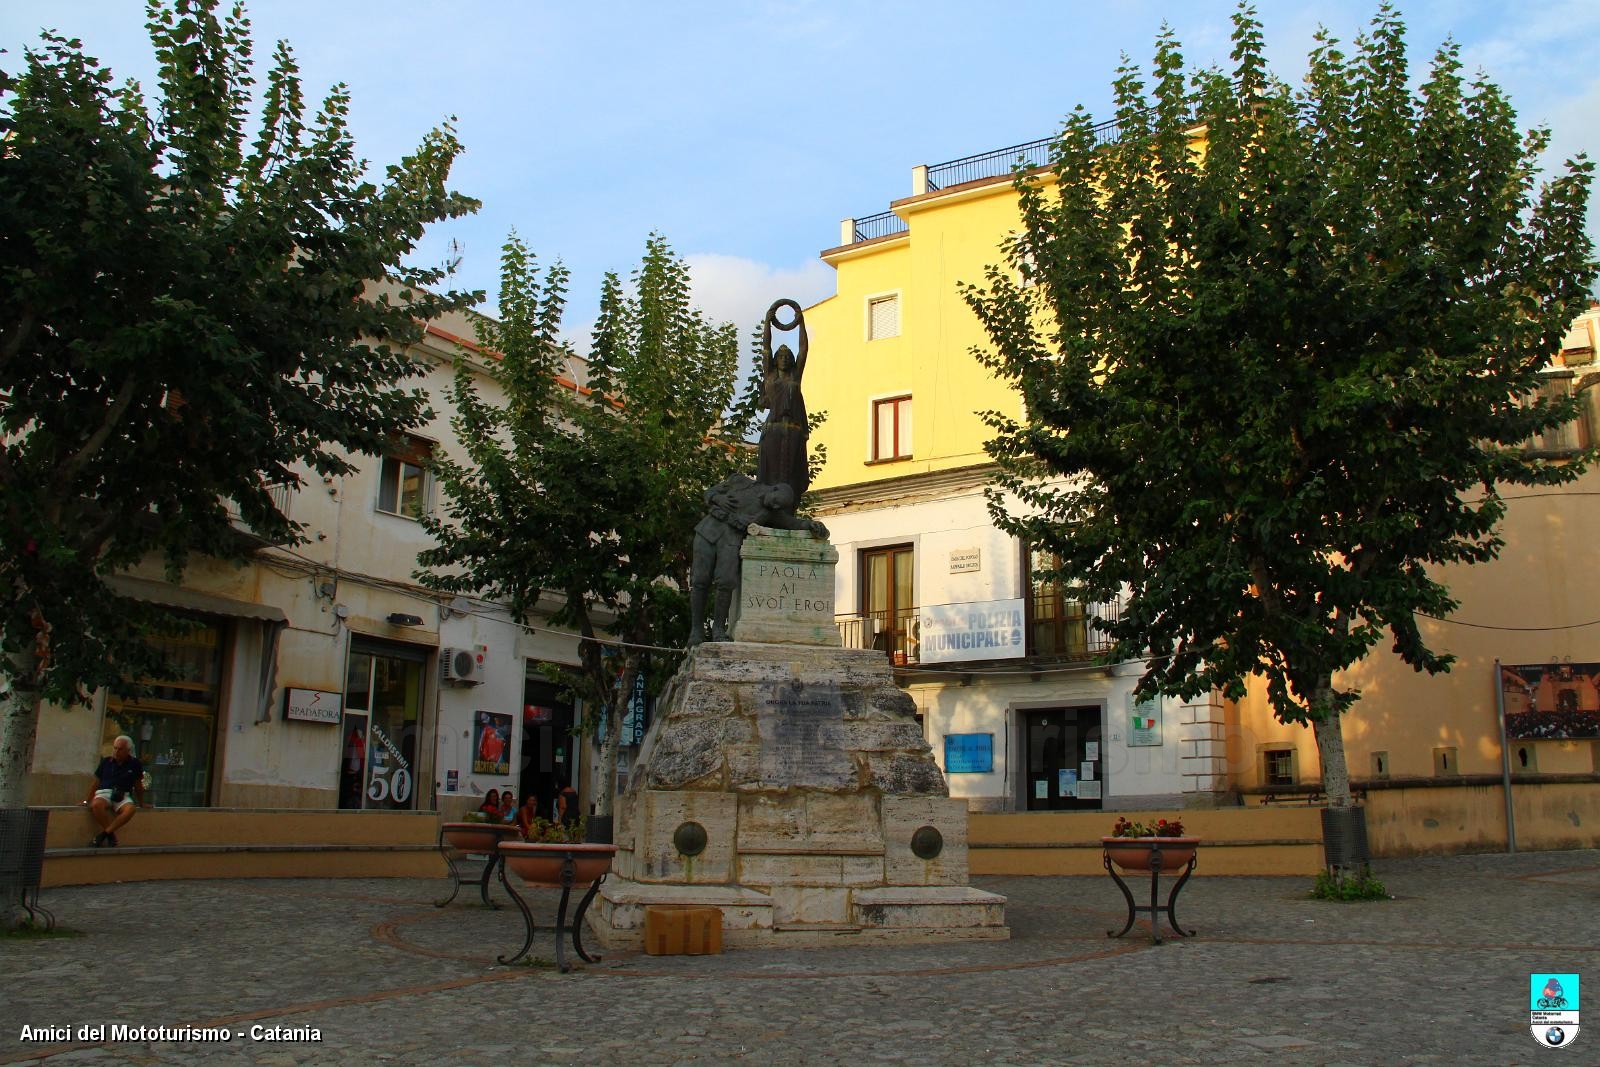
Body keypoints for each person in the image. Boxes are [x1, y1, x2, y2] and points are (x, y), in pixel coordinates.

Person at [688, 476, 828, 644]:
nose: (776, 506)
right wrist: (718, 498)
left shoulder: (770, 511)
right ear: (774, 488)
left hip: (731, 541)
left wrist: (812, 526)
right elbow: (709, 493)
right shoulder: (741, 482)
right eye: (777, 501)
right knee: (700, 581)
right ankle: (696, 631)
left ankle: (718, 629)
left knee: (726, 582)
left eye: (780, 506)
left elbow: (792, 523)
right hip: (707, 531)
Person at [757, 298, 810, 502]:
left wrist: (801, 322)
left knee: (792, 476)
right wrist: (767, 324)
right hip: (773, 430)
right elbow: (766, 347)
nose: (785, 359)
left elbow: (804, 349)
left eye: (788, 356)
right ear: (776, 360)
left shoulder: (795, 376)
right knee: (770, 476)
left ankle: (789, 510)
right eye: (781, 356)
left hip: (794, 430)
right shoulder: (770, 376)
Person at [83, 734, 149, 847]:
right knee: (96, 805)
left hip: (123, 795)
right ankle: (111, 835)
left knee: (130, 809)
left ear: (128, 750)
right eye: (115, 748)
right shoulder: (106, 762)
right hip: (104, 793)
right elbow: (96, 782)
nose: (117, 751)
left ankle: (104, 834)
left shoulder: (135, 764)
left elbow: (138, 785)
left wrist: (142, 802)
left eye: (120, 749)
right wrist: (86, 801)